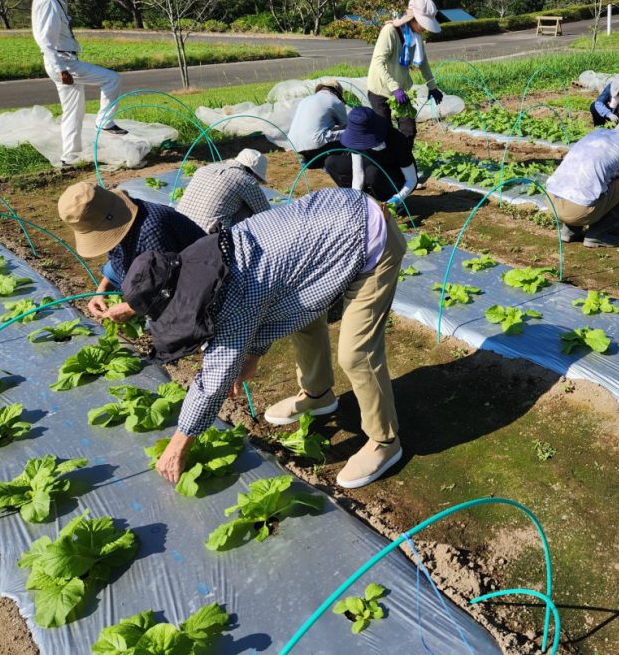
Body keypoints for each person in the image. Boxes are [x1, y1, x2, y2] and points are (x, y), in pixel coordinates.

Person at [122, 187, 406, 489]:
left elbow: (214, 381)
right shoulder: (205, 262)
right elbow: (270, 302)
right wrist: (253, 354)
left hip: (370, 235)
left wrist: (179, 443)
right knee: (304, 320)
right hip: (331, 221)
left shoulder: (227, 293)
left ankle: (385, 440)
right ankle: (318, 395)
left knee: (356, 354)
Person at [58, 182, 204, 321]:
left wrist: (131, 308)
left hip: (199, 280)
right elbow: (118, 259)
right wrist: (101, 291)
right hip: (165, 272)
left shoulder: (151, 232)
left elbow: (170, 281)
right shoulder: (121, 222)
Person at [31, 0, 126, 168]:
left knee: (74, 112)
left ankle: (70, 158)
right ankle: (105, 122)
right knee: (112, 78)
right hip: (62, 62)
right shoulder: (47, 2)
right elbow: (44, 40)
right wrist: (62, 69)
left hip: (65, 60)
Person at [545, 116, 619, 248]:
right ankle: (597, 235)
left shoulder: (597, 133)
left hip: (551, 201)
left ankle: (570, 231)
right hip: (576, 211)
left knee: (586, 181)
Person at [366, 0, 445, 151]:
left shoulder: (416, 37)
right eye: (422, 23)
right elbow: (378, 61)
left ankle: (405, 163)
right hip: (380, 89)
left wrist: (432, 86)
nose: (424, 28)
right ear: (412, 18)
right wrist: (394, 88)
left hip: (401, 90)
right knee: (385, 132)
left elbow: (423, 63)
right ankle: (388, 169)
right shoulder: (390, 31)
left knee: (408, 130)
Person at [322, 107, 417, 211]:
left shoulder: (395, 139)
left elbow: (412, 179)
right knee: (332, 162)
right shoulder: (356, 139)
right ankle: (365, 200)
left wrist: (398, 198)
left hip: (396, 179)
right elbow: (358, 173)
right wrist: (356, 198)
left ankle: (390, 203)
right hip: (372, 170)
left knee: (372, 173)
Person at [177, 149, 271, 233]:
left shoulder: (206, 168)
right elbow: (267, 215)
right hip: (207, 235)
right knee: (249, 207)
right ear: (252, 172)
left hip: (179, 224)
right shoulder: (245, 180)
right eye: (258, 179)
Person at [287, 79, 349, 165]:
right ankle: (342, 161)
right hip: (315, 143)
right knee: (351, 131)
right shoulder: (335, 101)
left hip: (294, 144)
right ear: (337, 93)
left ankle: (310, 159)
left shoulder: (305, 100)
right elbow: (345, 125)